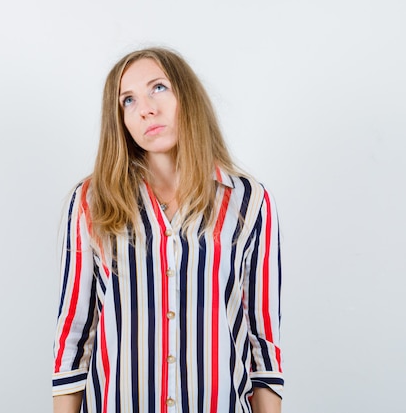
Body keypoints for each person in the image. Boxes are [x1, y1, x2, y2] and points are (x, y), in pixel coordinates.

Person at [52, 47, 283, 413]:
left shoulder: (248, 201)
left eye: (158, 88)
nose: (145, 108)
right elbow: (74, 339)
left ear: (186, 96)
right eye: (128, 100)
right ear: (120, 120)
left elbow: (262, 342)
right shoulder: (91, 202)